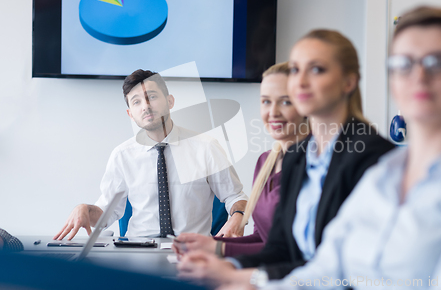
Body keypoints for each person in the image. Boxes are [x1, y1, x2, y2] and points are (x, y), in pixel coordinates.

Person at [229, 6, 441, 290]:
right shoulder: (382, 175)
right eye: (404, 64)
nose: (419, 76)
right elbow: (326, 271)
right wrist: (249, 282)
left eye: (439, 63)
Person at [177, 30, 395, 286]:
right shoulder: (298, 157)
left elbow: (341, 267)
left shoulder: (372, 157)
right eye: (295, 70)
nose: (300, 82)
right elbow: (281, 250)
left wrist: (243, 275)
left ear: (348, 82)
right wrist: (227, 264)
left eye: (316, 70)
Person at [54, 70, 248, 240]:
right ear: (131, 114)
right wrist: (84, 209)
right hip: (137, 252)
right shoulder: (122, 155)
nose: (145, 106)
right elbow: (106, 212)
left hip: (192, 250)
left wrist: (237, 217)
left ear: (170, 101)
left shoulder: (206, 147)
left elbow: (236, 196)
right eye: (136, 101)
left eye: (152, 97)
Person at [173, 62, 310, 257]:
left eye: (286, 101)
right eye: (266, 101)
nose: (273, 112)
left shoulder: (316, 165)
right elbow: (262, 238)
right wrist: (208, 242)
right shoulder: (266, 162)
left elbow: (292, 249)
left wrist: (218, 248)